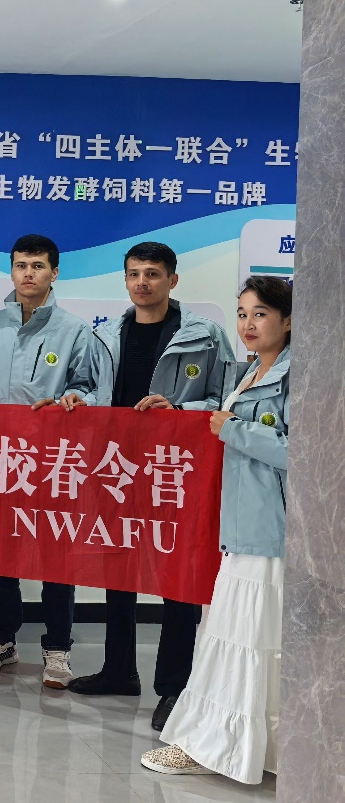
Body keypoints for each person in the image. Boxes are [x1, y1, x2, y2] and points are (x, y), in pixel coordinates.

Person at [69, 242, 234, 730]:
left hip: (175, 471)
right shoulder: (105, 336)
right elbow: (87, 386)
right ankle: (119, 670)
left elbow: (227, 400)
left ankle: (174, 687)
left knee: (176, 578)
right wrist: (75, 398)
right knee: (119, 570)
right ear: (125, 280)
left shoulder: (206, 336)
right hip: (117, 468)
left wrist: (179, 411)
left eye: (153, 274)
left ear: (172, 280)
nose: (143, 282)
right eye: (134, 274)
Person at [142, 276, 291, 783]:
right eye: (242, 313)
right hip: (241, 525)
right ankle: (221, 743)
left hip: (271, 532)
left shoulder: (298, 376)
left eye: (261, 314)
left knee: (252, 643)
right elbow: (218, 417)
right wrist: (186, 411)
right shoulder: (248, 371)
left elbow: (307, 452)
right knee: (231, 638)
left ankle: (223, 746)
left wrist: (236, 430)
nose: (248, 324)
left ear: (289, 321)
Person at [0, 233, 102, 689]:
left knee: (55, 558)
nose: (28, 273)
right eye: (21, 265)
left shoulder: (75, 330)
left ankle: (58, 649)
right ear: (11, 270)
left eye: (38, 266)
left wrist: (73, 398)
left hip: (53, 462)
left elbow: (89, 386)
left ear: (54, 272)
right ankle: (1, 640)